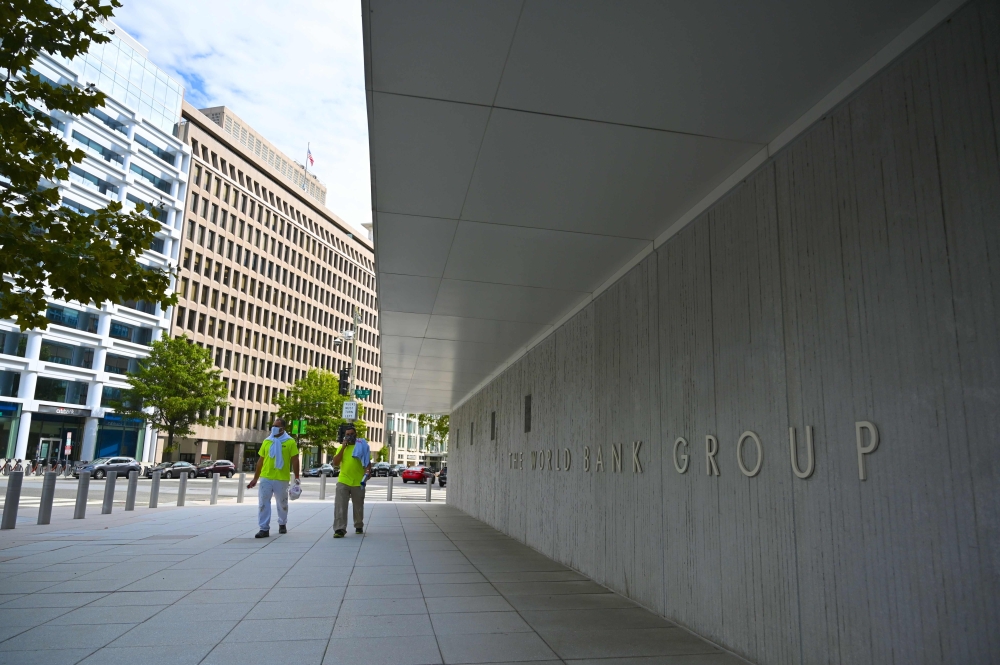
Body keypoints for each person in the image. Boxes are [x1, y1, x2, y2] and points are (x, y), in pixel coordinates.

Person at [247, 417, 300, 538]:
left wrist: (297, 476)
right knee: (263, 502)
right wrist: (255, 478)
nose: (274, 428)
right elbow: (260, 460)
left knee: (282, 503)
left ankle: (282, 523)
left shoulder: (290, 442)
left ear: (283, 428)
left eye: (276, 426)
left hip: (281, 478)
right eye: (273, 426)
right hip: (266, 477)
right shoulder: (267, 441)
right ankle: (264, 528)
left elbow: (295, 460)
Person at [332, 424, 371, 538]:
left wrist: (368, 472)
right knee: (340, 506)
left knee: (358, 506)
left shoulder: (362, 446)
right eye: (347, 435)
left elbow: (367, 462)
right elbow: (335, 462)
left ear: (356, 435)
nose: (349, 437)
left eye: (351, 434)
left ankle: (358, 525)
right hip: (343, 480)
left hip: (358, 481)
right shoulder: (341, 448)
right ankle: (339, 529)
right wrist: (343, 447)